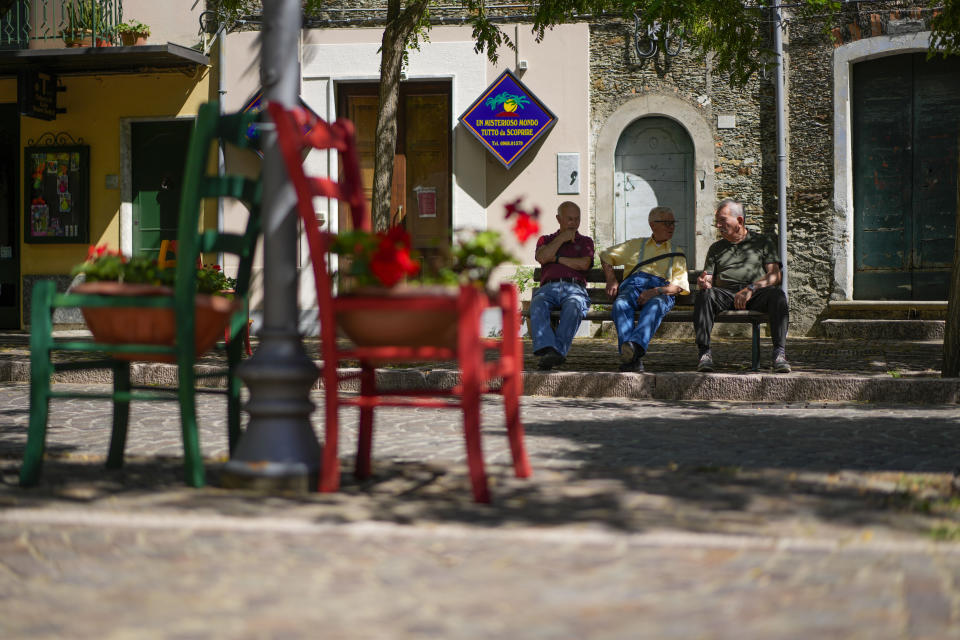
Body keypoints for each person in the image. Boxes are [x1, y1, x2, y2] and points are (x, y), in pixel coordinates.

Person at [695, 198, 791, 373]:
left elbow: (775, 275)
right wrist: (704, 283)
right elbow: (708, 278)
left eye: (722, 220)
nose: (718, 225)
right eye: (717, 221)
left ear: (739, 221)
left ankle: (779, 354)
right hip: (725, 294)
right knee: (704, 295)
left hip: (755, 294)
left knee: (777, 296)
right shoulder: (716, 248)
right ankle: (704, 353)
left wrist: (751, 288)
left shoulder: (762, 242)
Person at [599, 207, 690, 372]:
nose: (672, 227)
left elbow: (678, 286)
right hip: (633, 286)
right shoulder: (635, 245)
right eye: (667, 223)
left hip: (661, 291)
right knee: (620, 305)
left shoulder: (677, 253)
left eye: (673, 223)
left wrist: (656, 291)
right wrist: (611, 279)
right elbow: (605, 255)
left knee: (655, 306)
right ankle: (633, 354)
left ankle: (632, 352)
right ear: (653, 225)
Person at [530, 201, 594, 370]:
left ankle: (553, 352)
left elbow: (584, 265)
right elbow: (543, 258)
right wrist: (561, 239)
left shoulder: (586, 241)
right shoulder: (546, 239)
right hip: (548, 288)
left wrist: (557, 259)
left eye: (577, 219)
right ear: (558, 219)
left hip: (575, 289)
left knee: (574, 306)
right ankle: (551, 350)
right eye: (569, 219)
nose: (573, 223)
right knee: (537, 303)